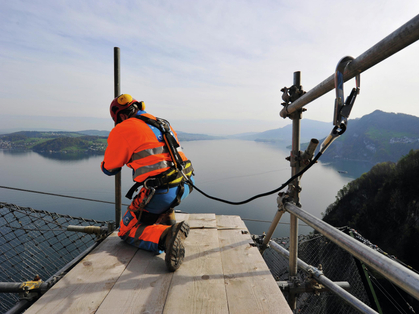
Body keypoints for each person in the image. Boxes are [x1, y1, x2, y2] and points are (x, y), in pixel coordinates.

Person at [101, 94, 194, 271]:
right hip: (187, 182)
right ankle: (169, 221)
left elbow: (110, 168)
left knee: (125, 230)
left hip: (163, 190)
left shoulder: (123, 128)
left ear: (120, 116)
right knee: (157, 195)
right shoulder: (161, 122)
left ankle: (167, 236)